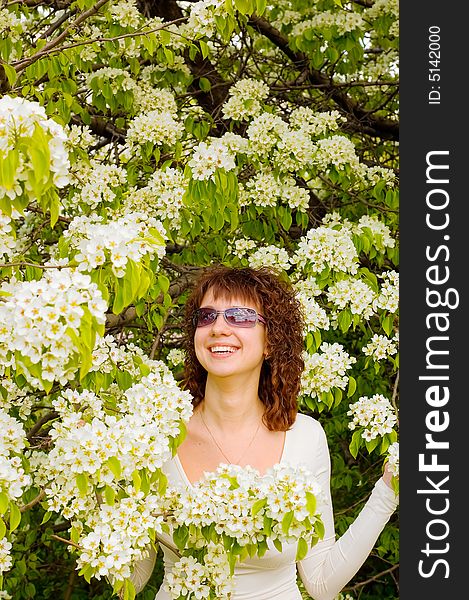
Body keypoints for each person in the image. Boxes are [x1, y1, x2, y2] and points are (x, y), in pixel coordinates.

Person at [127, 265, 399, 600]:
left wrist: (387, 492)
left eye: (240, 317)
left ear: (270, 341)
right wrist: (98, 493)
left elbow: (321, 583)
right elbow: (133, 581)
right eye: (207, 316)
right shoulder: (152, 435)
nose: (219, 328)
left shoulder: (305, 437)